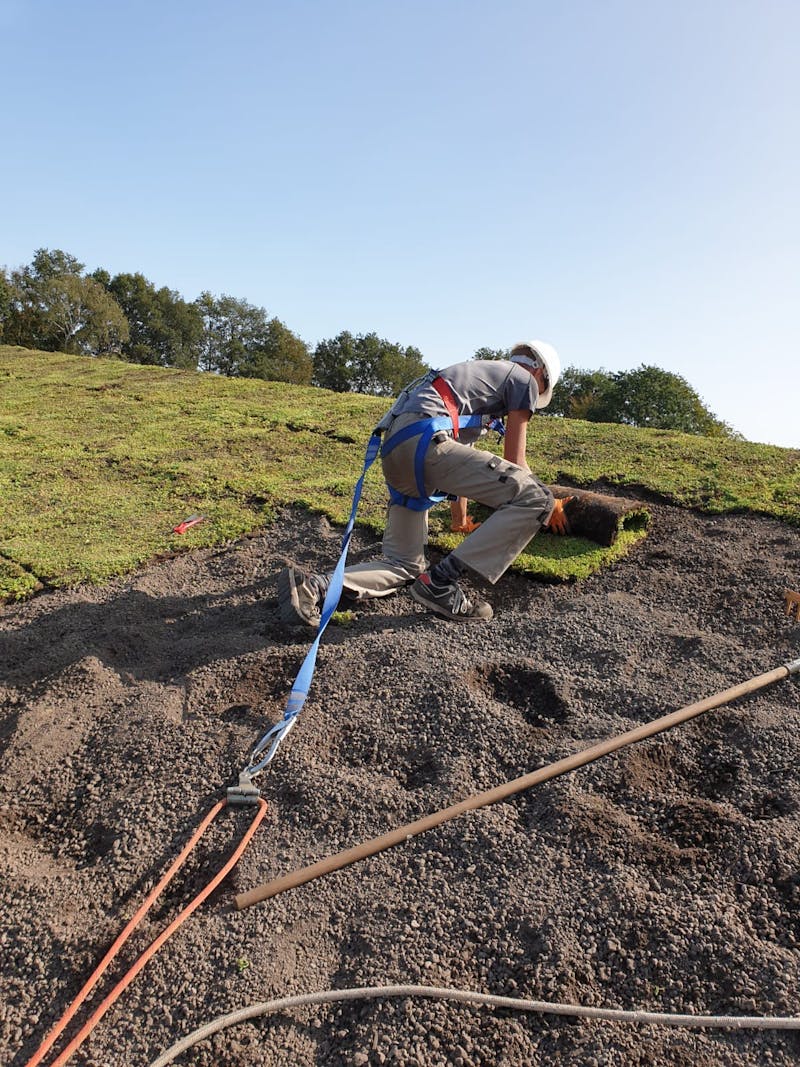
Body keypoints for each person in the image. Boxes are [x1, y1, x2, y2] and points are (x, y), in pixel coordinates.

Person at [278, 340, 570, 627]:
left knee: (404, 564)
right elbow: (516, 460)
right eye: (541, 391)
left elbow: (459, 465)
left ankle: (312, 587)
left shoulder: (472, 385)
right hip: (426, 441)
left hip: (399, 449)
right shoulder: (522, 378)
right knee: (536, 498)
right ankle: (441, 582)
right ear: (539, 373)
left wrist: (461, 522)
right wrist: (549, 502)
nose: (534, 399)